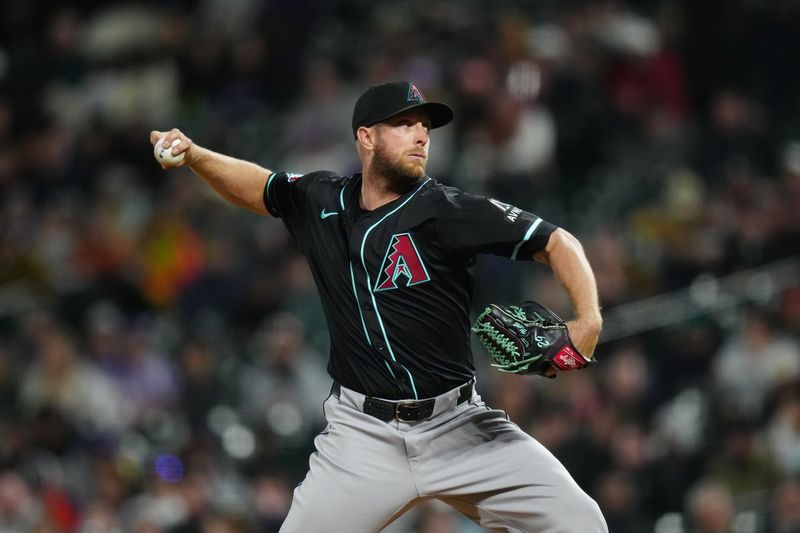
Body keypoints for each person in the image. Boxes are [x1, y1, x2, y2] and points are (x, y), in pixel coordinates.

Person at [151, 80, 607, 532]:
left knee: (582, 524)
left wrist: (587, 318)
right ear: (366, 137)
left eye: (425, 126)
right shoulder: (321, 199)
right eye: (404, 124)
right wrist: (195, 155)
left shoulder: (446, 210)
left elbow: (556, 241)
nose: (422, 134)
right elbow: (259, 188)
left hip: (460, 426)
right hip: (362, 437)